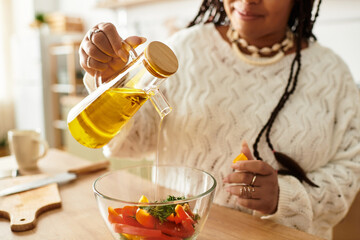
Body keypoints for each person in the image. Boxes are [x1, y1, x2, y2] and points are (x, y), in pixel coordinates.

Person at [78, 0, 360, 239]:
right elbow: (134, 143)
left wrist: (285, 197)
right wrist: (113, 84)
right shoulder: (183, 49)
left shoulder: (332, 74)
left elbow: (351, 169)